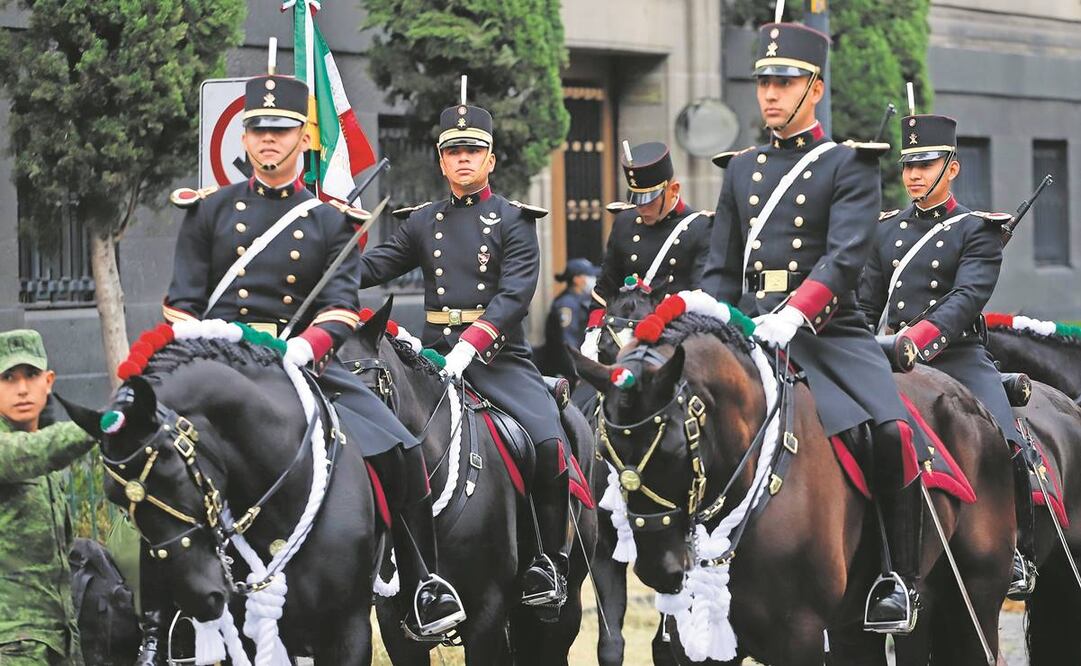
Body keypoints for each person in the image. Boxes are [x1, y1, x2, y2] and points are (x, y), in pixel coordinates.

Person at [157, 67, 465, 649]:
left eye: (281, 130)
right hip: (221, 369)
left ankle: (422, 581)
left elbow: (341, 308)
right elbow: (180, 307)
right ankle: (164, 616)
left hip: (304, 366)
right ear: (243, 139)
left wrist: (304, 346)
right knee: (156, 464)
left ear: (303, 138)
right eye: (257, 130)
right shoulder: (208, 211)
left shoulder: (330, 221)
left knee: (399, 446)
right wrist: (211, 339)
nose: (268, 140)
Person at [701, 21, 923, 633]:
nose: (770, 94)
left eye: (784, 81)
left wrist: (797, 311)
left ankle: (894, 578)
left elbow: (846, 254)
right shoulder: (741, 169)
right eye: (763, 82)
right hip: (749, 328)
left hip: (829, 332)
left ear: (814, 87)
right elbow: (720, 266)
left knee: (891, 431)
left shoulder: (848, 164)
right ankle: (684, 570)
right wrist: (707, 330)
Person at [358, 93, 572, 617]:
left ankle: (549, 559)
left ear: (491, 160)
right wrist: (326, 255)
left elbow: (514, 295)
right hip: (431, 358)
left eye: (473, 151)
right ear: (441, 160)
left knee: (548, 439)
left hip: (499, 360)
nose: (463, 159)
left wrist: (473, 343)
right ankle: (391, 561)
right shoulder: (422, 221)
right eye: (453, 151)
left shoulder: (514, 220)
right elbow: (377, 265)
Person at [857, 112, 1036, 597]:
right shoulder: (885, 230)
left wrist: (919, 337)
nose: (913, 174)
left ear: (951, 167)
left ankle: (1015, 547)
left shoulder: (976, 230)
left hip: (955, 356)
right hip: (893, 355)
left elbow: (963, 302)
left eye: (926, 163)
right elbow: (866, 303)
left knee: (1006, 439)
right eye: (907, 165)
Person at [0, 329, 96, 665]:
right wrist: (100, 423)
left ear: (49, 381)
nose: (22, 388)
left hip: (61, 642)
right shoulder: (20, 449)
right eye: (8, 377)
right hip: (10, 645)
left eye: (31, 375)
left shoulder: (49, 458)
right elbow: (31, 453)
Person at [582, 142, 714, 357]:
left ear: (673, 190)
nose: (641, 208)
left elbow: (702, 297)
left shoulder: (701, 227)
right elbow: (604, 290)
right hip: (618, 338)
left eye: (650, 200)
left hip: (673, 338)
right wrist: (592, 333)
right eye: (637, 200)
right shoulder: (624, 222)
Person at [548, 257, 600, 350]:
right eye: (588, 275)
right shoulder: (567, 303)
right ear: (577, 279)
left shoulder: (584, 299)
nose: (593, 279)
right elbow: (568, 340)